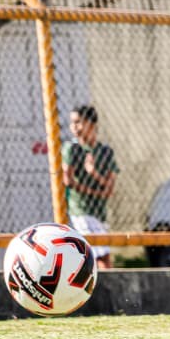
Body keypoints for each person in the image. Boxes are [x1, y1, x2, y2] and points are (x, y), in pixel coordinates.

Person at [62, 104, 120, 270]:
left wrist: (93, 173)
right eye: (72, 122)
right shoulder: (72, 148)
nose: (74, 127)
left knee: (100, 257)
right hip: (81, 210)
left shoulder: (105, 151)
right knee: (100, 257)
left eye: (79, 122)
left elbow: (109, 189)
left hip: (99, 212)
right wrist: (96, 192)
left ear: (91, 124)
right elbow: (68, 180)